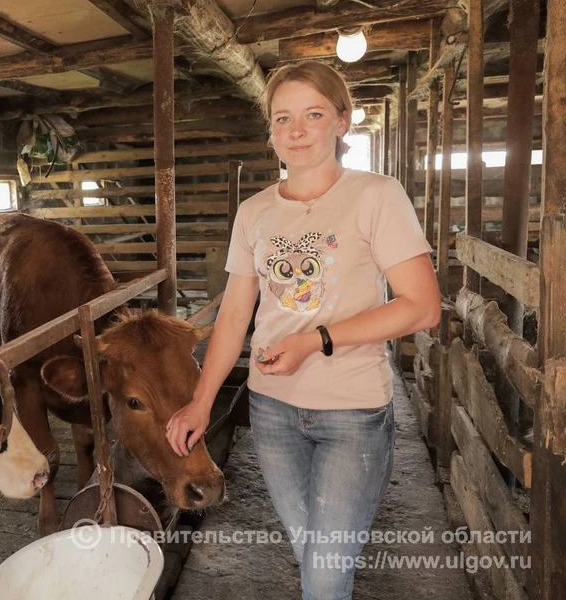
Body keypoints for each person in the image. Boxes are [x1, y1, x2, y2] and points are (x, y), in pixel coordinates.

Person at [165, 61, 441, 600]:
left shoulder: (377, 195)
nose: (296, 130)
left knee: (325, 570)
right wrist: (201, 402)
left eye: (313, 114)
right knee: (313, 555)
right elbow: (234, 315)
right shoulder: (254, 213)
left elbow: (423, 306)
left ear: (342, 122)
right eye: (282, 117)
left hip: (353, 412)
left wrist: (316, 340)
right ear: (269, 129)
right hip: (272, 411)